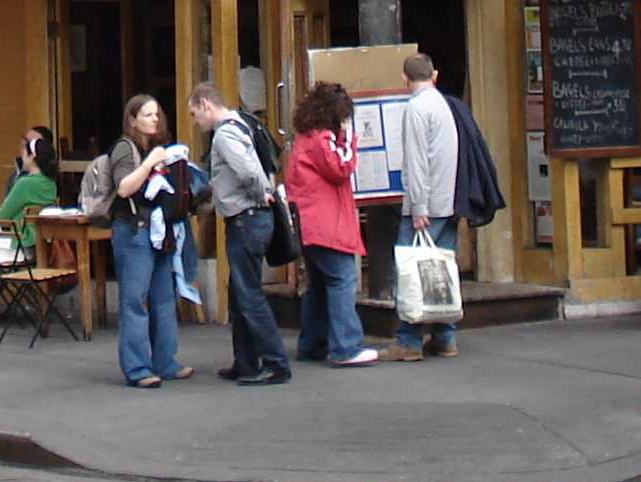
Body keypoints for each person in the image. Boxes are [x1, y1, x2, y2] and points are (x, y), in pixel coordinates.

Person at [80, 94, 201, 388]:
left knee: (163, 297)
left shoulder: (158, 147)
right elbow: (124, 188)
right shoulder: (125, 148)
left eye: (157, 114)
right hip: (134, 230)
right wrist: (149, 163)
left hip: (159, 229)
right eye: (147, 115)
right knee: (135, 300)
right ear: (132, 120)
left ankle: (166, 362)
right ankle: (137, 368)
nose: (155, 119)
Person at [190, 79, 291, 385]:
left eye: (195, 114)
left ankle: (275, 362)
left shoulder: (224, 134)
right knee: (239, 293)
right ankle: (245, 361)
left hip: (246, 218)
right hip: (251, 217)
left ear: (206, 104)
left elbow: (248, 171)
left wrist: (262, 194)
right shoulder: (242, 123)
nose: (195, 122)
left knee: (248, 295)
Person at [288, 81, 378, 367]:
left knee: (317, 284)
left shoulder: (305, 138)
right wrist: (350, 141)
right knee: (341, 280)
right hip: (326, 225)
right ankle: (345, 346)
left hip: (310, 224)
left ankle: (313, 343)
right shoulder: (322, 140)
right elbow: (341, 168)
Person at [388, 53, 460, 361]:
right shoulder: (444, 104)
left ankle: (408, 340)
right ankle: (444, 337)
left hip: (426, 204)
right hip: (447, 199)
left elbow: (417, 162)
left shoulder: (415, 108)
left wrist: (417, 207)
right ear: (435, 75)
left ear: (405, 78)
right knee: (440, 270)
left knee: (409, 272)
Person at [0, 128, 61, 222]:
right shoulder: (50, 182)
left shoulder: (24, 184)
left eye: (24, 155)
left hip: (23, 234)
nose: (22, 159)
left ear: (31, 158)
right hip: (45, 234)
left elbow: (2, 216)